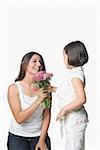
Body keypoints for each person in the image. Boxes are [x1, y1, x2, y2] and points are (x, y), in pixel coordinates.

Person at [7, 52, 51, 150]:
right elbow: (19, 118)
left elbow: (47, 115)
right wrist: (38, 100)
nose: (39, 64)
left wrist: (42, 140)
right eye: (34, 61)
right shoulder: (14, 88)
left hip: (39, 136)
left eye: (40, 62)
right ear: (25, 64)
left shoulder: (45, 87)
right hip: (17, 138)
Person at [52, 41, 89, 150]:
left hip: (75, 120)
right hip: (73, 120)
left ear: (72, 56)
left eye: (64, 56)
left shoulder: (75, 76)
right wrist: (52, 89)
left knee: (73, 147)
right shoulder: (74, 72)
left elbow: (81, 99)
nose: (63, 60)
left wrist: (64, 109)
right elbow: (69, 93)